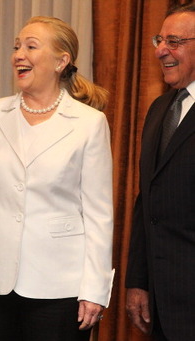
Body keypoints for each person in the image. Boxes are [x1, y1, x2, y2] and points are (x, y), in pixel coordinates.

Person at [0, 16, 114, 340]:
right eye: (16, 47)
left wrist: (95, 289)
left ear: (61, 60)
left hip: (59, 286)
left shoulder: (89, 123)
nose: (18, 55)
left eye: (31, 46)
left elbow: (99, 214)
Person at [125, 3, 195, 341]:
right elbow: (147, 203)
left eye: (174, 41)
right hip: (163, 305)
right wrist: (138, 281)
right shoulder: (159, 109)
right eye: (159, 39)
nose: (160, 50)